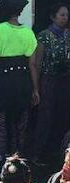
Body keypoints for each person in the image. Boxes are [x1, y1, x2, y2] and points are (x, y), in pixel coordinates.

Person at [0, 0, 39, 166]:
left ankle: (0, 160)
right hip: (22, 83)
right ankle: (19, 162)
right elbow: (33, 64)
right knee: (20, 124)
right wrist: (35, 89)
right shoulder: (28, 32)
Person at [33, 3, 70, 163]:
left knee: (62, 116)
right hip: (48, 80)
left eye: (66, 15)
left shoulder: (68, 34)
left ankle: (57, 150)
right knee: (45, 117)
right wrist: (36, 86)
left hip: (65, 79)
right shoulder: (44, 36)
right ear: (53, 17)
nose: (65, 18)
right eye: (62, 15)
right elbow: (38, 62)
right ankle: (37, 153)